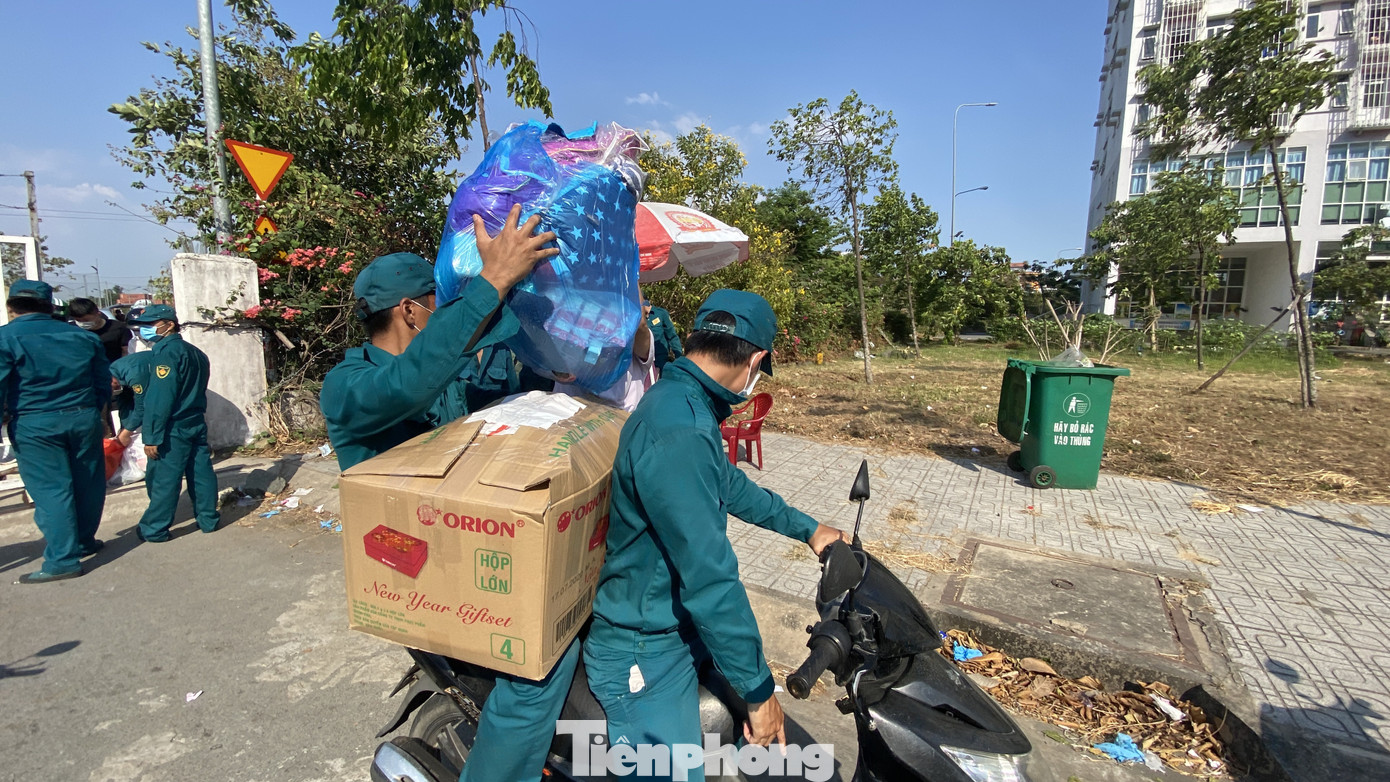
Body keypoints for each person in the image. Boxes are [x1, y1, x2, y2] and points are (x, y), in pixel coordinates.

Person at [320, 205, 576, 782]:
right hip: (416, 568)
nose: (444, 312)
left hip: (473, 551)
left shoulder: (443, 371)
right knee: (531, 678)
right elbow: (408, 385)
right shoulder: (349, 386)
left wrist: (546, 352)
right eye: (438, 302)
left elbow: (499, 400)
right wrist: (490, 281)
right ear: (412, 310)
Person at [584, 289, 849, 780]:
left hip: (675, 630)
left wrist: (809, 529)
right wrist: (758, 690)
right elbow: (711, 579)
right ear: (756, 361)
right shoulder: (679, 423)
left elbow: (728, 484)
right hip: (645, 649)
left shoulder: (684, 402)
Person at [0, 280, 111, 582]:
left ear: (11, 307)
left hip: (36, 422)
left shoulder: (5, 338)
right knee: (87, 482)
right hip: (82, 416)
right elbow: (102, 383)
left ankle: (63, 559)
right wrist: (92, 413)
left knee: (52, 490)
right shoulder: (82, 337)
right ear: (50, 307)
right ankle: (84, 540)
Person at [127, 304, 220, 541]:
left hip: (173, 427)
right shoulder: (196, 353)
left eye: (150, 325)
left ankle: (154, 529)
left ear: (169, 325)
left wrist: (152, 436)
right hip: (195, 421)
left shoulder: (166, 354)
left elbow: (160, 399)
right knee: (201, 473)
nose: (144, 330)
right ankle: (208, 519)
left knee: (164, 480)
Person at [552, 311, 655, 412]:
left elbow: (640, 324)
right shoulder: (568, 324)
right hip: (569, 411)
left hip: (573, 411)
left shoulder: (565, 324)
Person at [109, 351, 153, 446]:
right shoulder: (114, 372)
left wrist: (127, 432)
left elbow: (142, 406)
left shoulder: (134, 375)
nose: (112, 392)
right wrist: (123, 428)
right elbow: (123, 403)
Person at [68, 297, 132, 362]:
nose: (83, 323)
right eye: (78, 320)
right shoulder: (71, 330)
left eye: (86, 320)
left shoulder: (119, 328)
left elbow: (126, 351)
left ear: (98, 314)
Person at [645, 297, 683, 374]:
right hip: (644, 362)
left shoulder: (661, 313)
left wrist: (679, 357)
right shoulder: (637, 317)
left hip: (661, 360)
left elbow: (672, 336)